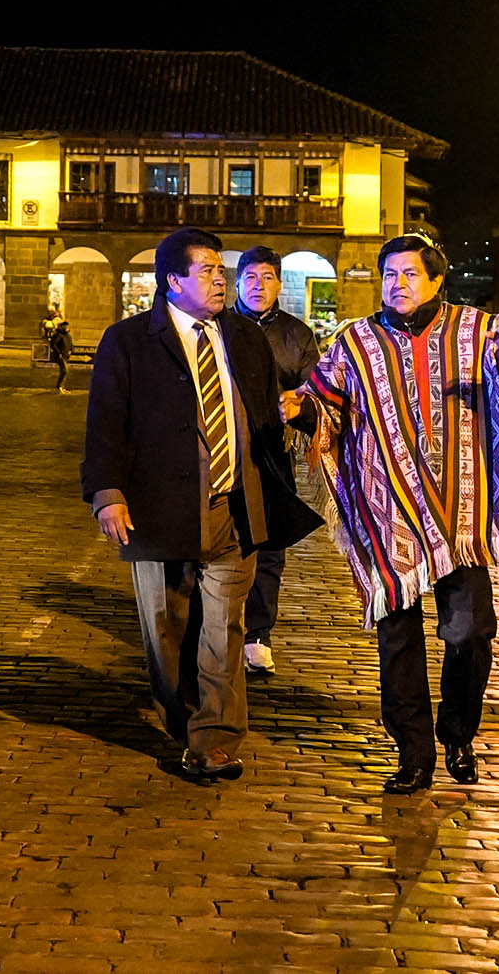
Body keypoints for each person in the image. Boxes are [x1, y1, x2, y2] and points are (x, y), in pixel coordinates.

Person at [301, 233, 499, 794]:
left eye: (410, 274)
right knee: (398, 638)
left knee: (471, 633)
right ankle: (413, 752)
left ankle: (458, 730)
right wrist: (301, 408)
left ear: (437, 280)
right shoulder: (355, 343)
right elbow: (326, 403)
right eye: (390, 275)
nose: (398, 285)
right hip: (386, 508)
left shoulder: (479, 331)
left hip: (461, 514)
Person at [84, 228, 322, 785]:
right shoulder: (129, 341)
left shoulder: (242, 335)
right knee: (166, 631)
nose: (222, 280)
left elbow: (266, 418)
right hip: (158, 509)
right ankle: (183, 718)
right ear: (174, 280)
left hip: (234, 507)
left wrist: (304, 415)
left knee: (224, 629)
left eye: (223, 270)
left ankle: (215, 739)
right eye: (209, 271)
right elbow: (105, 425)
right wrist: (106, 493)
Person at [230, 244, 321, 684]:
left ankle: (258, 633)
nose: (258, 285)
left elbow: (317, 394)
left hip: (273, 452)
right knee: (224, 541)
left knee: (269, 545)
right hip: (222, 452)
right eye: (250, 277)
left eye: (267, 277)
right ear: (237, 282)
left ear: (279, 283)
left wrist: (300, 409)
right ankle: (218, 629)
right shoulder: (218, 327)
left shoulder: (297, 335)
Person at [46, 315, 73, 392]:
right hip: (60, 356)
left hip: (65, 356)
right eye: (64, 326)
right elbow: (53, 344)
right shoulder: (59, 335)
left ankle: (61, 387)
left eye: (66, 326)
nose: (66, 327)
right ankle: (59, 387)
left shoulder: (68, 336)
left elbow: (71, 345)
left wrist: (71, 350)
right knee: (65, 370)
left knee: (64, 371)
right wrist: (58, 353)